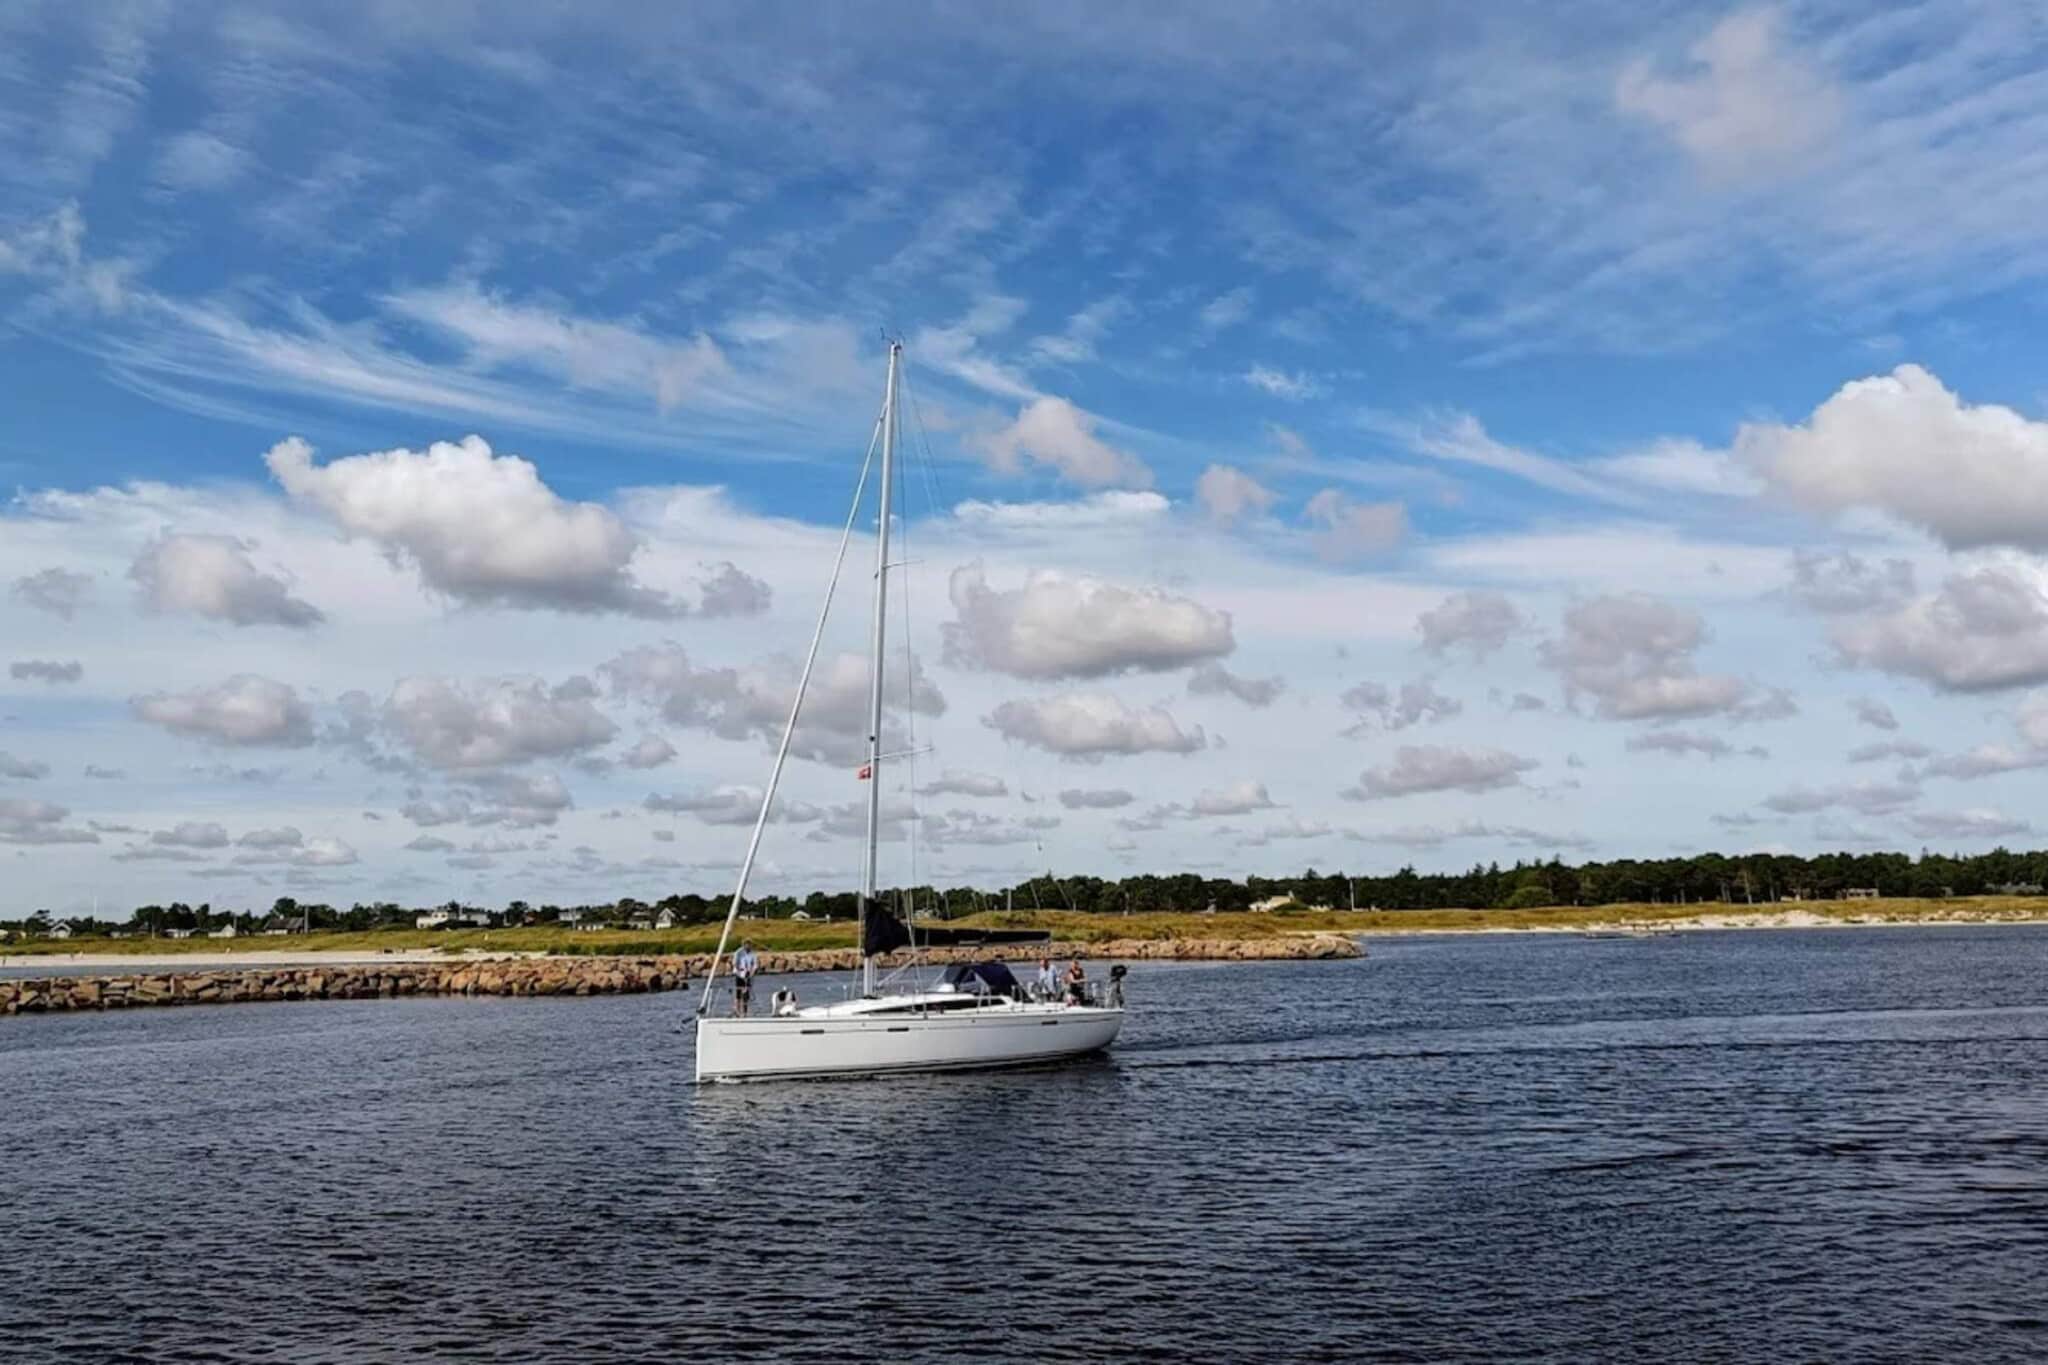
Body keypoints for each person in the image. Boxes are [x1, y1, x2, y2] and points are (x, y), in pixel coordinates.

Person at [732, 939, 758, 1017]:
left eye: (749, 945)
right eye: (746, 944)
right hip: (739, 975)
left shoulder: (753, 954)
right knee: (738, 994)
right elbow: (735, 963)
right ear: (743, 945)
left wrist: (752, 972)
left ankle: (745, 1013)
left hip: (748, 976)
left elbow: (755, 965)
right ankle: (737, 1011)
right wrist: (739, 969)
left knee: (746, 995)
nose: (748, 946)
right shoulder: (739, 953)